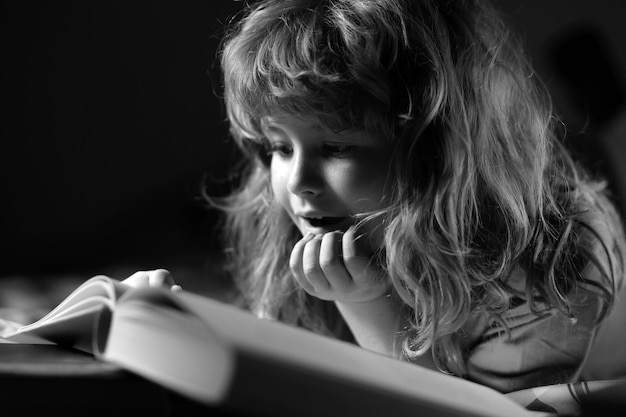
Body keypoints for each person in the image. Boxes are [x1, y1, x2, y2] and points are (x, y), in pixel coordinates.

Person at [127, 0, 626, 393]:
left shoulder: (548, 266)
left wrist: (367, 305)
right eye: (278, 147)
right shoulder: (315, 238)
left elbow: (450, 410)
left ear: (439, 149)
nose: (298, 182)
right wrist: (190, 330)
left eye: (338, 146)